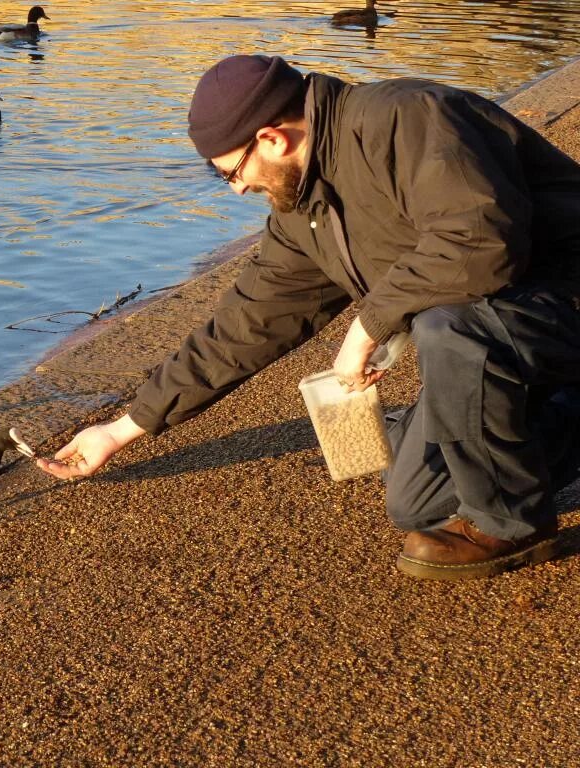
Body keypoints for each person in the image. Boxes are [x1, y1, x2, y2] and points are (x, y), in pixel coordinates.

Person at [36, 54, 580, 580]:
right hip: (517, 336)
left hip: (560, 301)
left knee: (450, 330)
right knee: (418, 502)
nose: (239, 188)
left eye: (232, 173)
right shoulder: (306, 209)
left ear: (272, 137)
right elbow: (245, 327)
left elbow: (480, 241)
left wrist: (367, 326)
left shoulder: (408, 116)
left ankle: (511, 526)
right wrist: (123, 427)